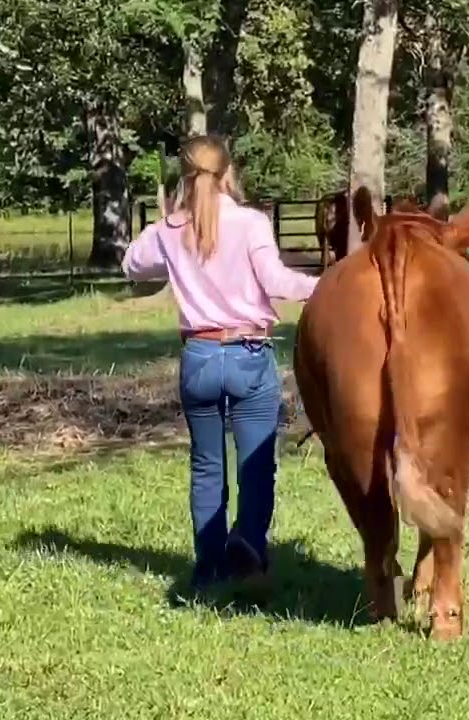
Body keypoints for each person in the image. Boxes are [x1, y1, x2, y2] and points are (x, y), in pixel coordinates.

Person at [121, 134, 320, 592]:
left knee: (206, 465)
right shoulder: (250, 223)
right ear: (228, 171)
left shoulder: (169, 229)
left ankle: (208, 566)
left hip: (200, 358)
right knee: (256, 463)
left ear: (185, 177)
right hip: (248, 354)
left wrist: (168, 249)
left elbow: (132, 264)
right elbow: (276, 281)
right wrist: (328, 284)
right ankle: (248, 541)